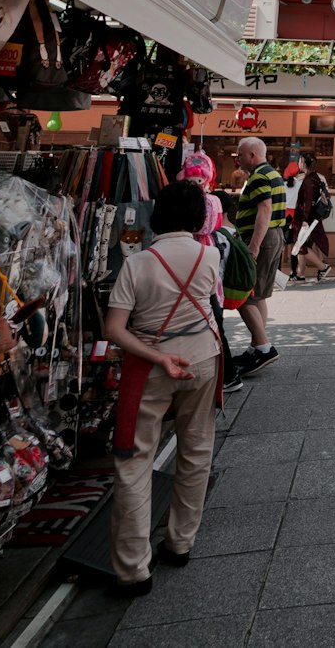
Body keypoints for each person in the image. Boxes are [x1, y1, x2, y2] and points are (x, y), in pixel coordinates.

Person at [106, 179, 221, 593]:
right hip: (204, 360)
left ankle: (133, 569)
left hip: (150, 369)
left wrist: (157, 356)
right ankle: (180, 543)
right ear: (197, 218)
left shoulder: (138, 264)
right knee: (196, 450)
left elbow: (114, 329)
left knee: (135, 461)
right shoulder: (210, 255)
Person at [176, 152, 240, 394]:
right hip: (203, 256)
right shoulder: (210, 201)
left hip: (200, 258)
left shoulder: (208, 202)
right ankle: (221, 373)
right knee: (209, 315)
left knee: (211, 315)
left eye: (198, 180)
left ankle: (226, 373)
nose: (195, 184)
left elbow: (203, 226)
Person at [232, 137, 286, 375]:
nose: (238, 158)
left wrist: (253, 247)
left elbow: (265, 210)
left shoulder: (259, 176)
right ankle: (257, 344)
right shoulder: (272, 173)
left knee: (245, 294)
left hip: (262, 240)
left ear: (252, 155)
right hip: (273, 237)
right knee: (259, 294)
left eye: (240, 154)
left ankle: (263, 347)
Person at [290, 153, 332, 283]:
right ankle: (300, 273)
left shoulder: (308, 180)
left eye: (300, 161)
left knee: (301, 246)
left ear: (303, 163)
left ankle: (322, 267)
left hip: (307, 219)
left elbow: (308, 202)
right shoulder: (315, 178)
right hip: (312, 219)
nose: (298, 163)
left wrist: (304, 220)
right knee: (303, 244)